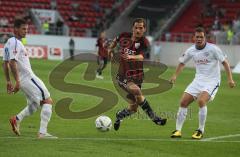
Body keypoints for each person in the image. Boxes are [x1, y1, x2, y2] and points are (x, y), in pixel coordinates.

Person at [170, 27, 235, 139]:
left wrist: (230, 79)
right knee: (183, 102)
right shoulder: (191, 50)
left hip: (212, 81)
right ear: (194, 38)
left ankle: (200, 130)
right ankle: (178, 130)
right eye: (197, 37)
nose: (199, 39)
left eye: (201, 37)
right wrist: (175, 75)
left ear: (205, 37)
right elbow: (182, 63)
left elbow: (225, 63)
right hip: (198, 80)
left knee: (201, 101)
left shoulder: (213, 49)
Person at [108, 18, 167, 131]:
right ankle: (154, 118)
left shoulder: (144, 42)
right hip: (122, 75)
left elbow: (141, 56)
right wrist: (110, 49)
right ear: (132, 28)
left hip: (137, 77)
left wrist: (131, 57)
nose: (138, 30)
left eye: (140, 28)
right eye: (136, 27)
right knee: (136, 91)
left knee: (133, 108)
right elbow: (115, 40)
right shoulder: (124, 36)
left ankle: (120, 115)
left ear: (144, 29)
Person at [2, 18, 57, 139]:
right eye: (23, 29)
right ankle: (42, 133)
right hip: (27, 78)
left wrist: (8, 81)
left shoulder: (8, 43)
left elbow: (4, 63)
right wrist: (17, 81)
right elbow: (11, 63)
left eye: (27, 29)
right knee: (47, 101)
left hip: (23, 80)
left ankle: (16, 119)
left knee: (33, 106)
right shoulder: (16, 43)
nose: (26, 31)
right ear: (15, 29)